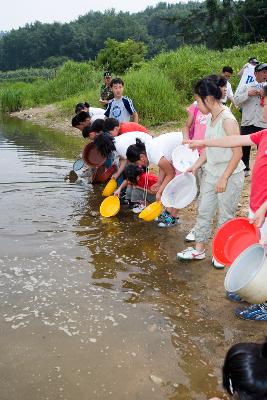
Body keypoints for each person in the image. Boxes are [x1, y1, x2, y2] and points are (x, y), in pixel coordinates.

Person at [187, 85, 267, 319]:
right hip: (258, 206)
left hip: (265, 208)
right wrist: (204, 143)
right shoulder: (263, 135)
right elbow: (233, 140)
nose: (261, 105)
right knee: (261, 249)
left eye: (265, 102)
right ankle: (257, 290)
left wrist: (263, 208)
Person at [177, 76, 245, 268]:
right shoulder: (210, 117)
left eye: (198, 101)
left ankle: (220, 252)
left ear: (208, 98)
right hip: (211, 171)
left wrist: (224, 178)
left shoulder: (228, 120)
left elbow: (238, 152)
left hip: (229, 174)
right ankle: (199, 250)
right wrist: (195, 166)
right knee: (204, 210)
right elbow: (208, 148)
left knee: (225, 215)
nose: (197, 105)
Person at [126, 132, 183, 227]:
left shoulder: (152, 153)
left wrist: (159, 192)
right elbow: (163, 166)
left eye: (137, 162)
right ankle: (168, 213)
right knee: (171, 186)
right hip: (178, 152)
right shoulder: (148, 150)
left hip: (185, 150)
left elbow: (171, 173)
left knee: (178, 186)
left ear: (142, 156)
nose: (139, 165)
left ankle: (173, 218)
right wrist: (159, 182)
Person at [234, 63, 267, 176]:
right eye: (263, 72)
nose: (265, 74)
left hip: (262, 123)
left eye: (266, 72)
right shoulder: (247, 86)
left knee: (262, 148)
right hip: (247, 121)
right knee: (245, 147)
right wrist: (248, 94)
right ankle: (245, 168)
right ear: (255, 73)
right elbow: (236, 100)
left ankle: (262, 169)